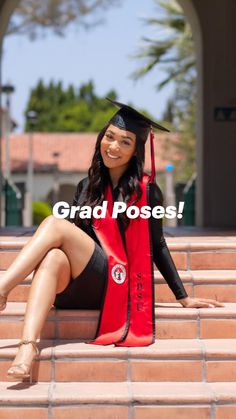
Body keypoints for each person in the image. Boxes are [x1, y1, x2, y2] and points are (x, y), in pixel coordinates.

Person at [0, 98, 224, 380]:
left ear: (136, 151)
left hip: (116, 283)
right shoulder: (87, 185)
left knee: (54, 224)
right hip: (79, 284)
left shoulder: (146, 191)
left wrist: (183, 297)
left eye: (125, 142)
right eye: (109, 137)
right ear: (101, 138)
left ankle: (2, 288)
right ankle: (27, 348)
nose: (113, 146)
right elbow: (74, 236)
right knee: (54, 256)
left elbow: (158, 245)